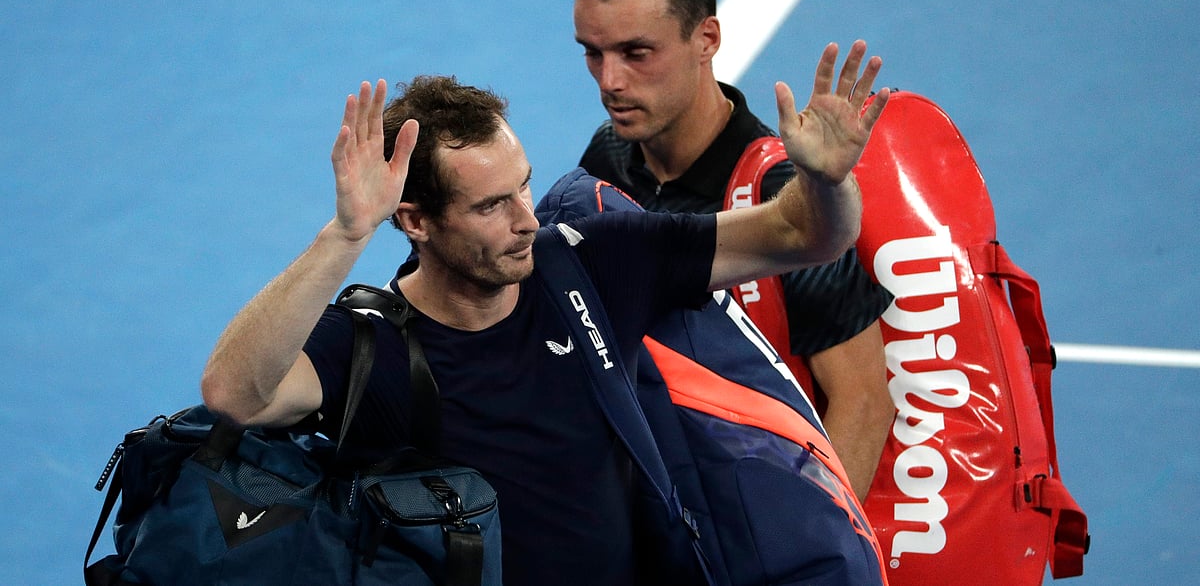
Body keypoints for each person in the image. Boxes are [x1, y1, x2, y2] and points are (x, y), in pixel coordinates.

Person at [201, 48, 888, 582]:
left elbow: (802, 234)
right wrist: (346, 234)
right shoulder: (369, 347)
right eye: (491, 206)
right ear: (416, 221)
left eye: (523, 186)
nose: (527, 220)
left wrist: (825, 180)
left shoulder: (594, 261)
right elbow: (234, 394)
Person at [569, 0, 894, 500]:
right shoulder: (606, 160)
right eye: (593, 53)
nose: (609, 81)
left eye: (636, 52)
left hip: (754, 506)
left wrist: (810, 535)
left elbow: (864, 400)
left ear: (707, 39)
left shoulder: (785, 194)